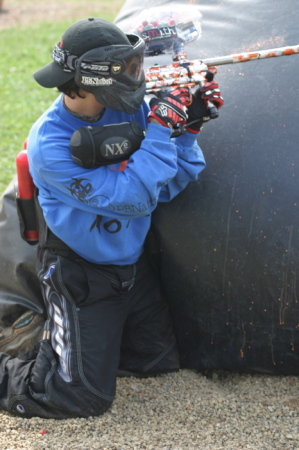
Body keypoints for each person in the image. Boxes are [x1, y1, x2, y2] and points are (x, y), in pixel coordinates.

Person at [0, 17, 223, 419]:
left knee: (155, 361)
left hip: (130, 267)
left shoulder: (131, 111)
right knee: (76, 397)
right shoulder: (49, 144)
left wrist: (188, 129)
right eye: (128, 70)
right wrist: (158, 132)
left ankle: (76, 350)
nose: (138, 78)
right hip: (79, 272)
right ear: (90, 80)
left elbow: (168, 185)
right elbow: (134, 200)